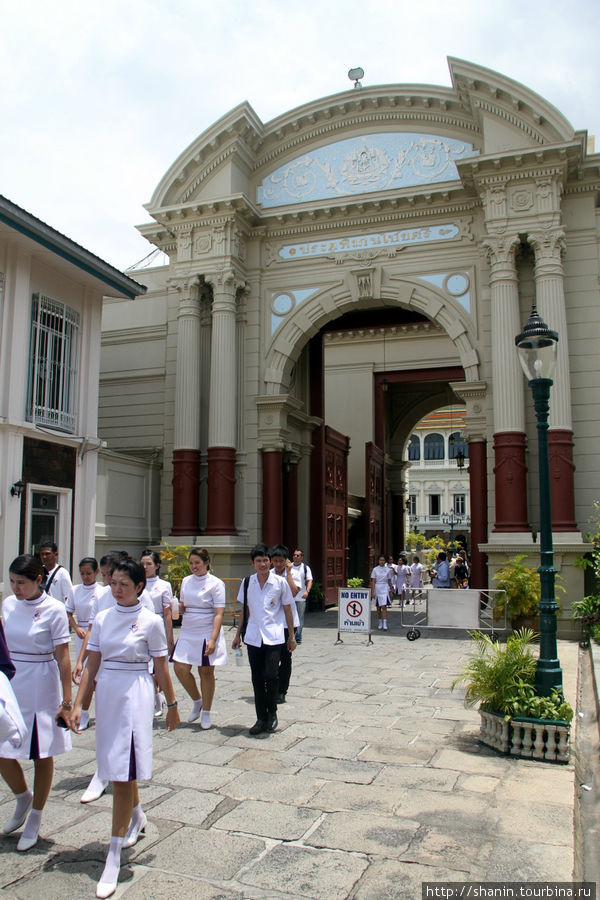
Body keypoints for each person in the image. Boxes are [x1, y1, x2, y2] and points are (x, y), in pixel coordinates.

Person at [71, 558, 179, 899]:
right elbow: (93, 664)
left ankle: (114, 854)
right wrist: (79, 704)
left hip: (136, 693)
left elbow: (161, 667)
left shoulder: (149, 622)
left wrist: (173, 706)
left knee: (122, 769)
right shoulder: (102, 618)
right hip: (108, 692)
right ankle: (137, 816)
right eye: (113, 583)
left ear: (139, 588)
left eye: (124, 584)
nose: (117, 589)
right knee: (116, 763)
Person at [0, 554, 73, 851]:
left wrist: (67, 700)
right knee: (3, 748)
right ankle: (22, 797)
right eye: (13, 582)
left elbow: (64, 655)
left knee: (41, 751)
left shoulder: (53, 610)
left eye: (22, 583)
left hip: (41, 680)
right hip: (11, 679)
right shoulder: (8, 604)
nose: (17, 588)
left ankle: (36, 816)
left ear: (38, 580)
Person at [232, 543, 296, 735]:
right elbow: (244, 610)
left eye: (265, 561)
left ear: (270, 562)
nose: (262, 564)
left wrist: (291, 636)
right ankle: (261, 718)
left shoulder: (279, 583)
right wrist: (237, 635)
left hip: (274, 635)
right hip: (253, 636)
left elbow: (287, 609)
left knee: (271, 675)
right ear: (253, 563)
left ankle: (273, 712)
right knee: (257, 679)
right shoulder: (247, 582)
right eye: (259, 561)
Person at [173, 548, 227, 730]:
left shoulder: (216, 583)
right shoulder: (186, 581)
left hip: (206, 629)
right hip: (188, 629)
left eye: (197, 563)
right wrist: (177, 607)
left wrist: (213, 639)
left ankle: (206, 712)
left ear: (206, 563)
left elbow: (219, 613)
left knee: (205, 672)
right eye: (191, 563)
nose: (194, 566)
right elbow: (184, 605)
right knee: (180, 667)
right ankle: (197, 700)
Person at [65, 557, 102, 730]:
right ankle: (84, 711)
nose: (86, 577)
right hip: (82, 634)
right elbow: (69, 612)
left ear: (96, 572)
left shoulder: (101, 591)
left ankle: (98, 709)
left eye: (89, 573)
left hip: (96, 633)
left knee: (97, 676)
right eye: (82, 574)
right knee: (86, 675)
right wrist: (76, 627)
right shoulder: (75, 590)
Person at [140, 549, 175, 716]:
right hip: (140, 628)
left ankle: (158, 696)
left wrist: (170, 637)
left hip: (157, 625)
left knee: (158, 666)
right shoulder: (137, 582)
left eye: (149, 564)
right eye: (143, 564)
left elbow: (167, 612)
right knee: (146, 666)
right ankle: (154, 696)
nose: (145, 567)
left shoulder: (163, 585)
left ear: (157, 566)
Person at [270, 545, 300, 704]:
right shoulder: (267, 575)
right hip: (272, 621)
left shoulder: (294, 573)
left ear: (286, 561)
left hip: (288, 622)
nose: (278, 564)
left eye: (281, 561)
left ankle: (282, 690)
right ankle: (272, 688)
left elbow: (294, 592)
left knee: (285, 657)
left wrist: (288, 573)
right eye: (275, 561)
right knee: (271, 658)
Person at [39, 541, 74, 608]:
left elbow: (69, 597)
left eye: (47, 554)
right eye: (42, 554)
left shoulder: (62, 573)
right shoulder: (38, 571)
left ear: (55, 555)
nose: (44, 557)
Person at [290, 549, 313, 644]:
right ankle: (290, 636)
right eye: (294, 555)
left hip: (300, 597)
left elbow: (310, 580)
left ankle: (298, 637)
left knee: (299, 617)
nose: (295, 557)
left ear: (301, 557)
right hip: (289, 597)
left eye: (298, 555)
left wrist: (307, 591)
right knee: (289, 617)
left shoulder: (305, 568)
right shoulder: (288, 567)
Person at [370, 554, 393, 630]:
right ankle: (380, 621)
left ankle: (385, 622)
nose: (382, 562)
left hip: (384, 587)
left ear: (385, 561)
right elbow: (373, 581)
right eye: (380, 560)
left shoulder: (388, 570)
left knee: (384, 606)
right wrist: (373, 592)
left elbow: (389, 580)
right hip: (377, 587)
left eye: (383, 560)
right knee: (378, 606)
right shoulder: (375, 569)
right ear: (378, 561)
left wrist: (391, 590)